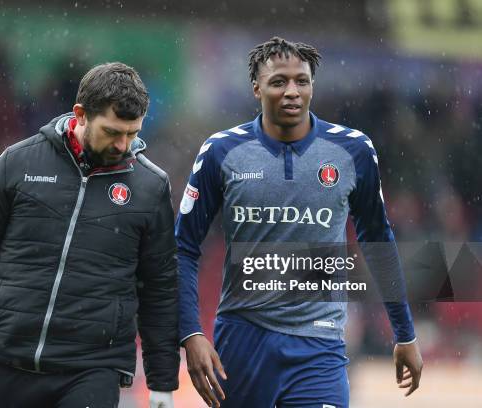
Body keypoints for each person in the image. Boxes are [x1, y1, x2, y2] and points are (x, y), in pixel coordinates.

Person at [176, 37, 423, 407]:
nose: (292, 91)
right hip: (242, 341)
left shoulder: (353, 150)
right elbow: (183, 247)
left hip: (319, 344)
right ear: (256, 88)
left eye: (301, 81)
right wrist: (191, 333)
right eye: (279, 82)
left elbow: (378, 239)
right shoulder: (221, 151)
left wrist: (405, 333)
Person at [0, 62, 179, 408]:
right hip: (13, 360)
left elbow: (159, 288)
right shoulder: (17, 163)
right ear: (81, 114)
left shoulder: (151, 187)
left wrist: (162, 383)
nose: (123, 145)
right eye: (113, 132)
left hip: (94, 369)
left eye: (132, 134)